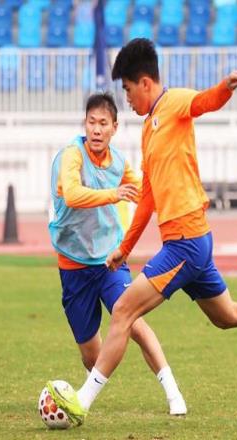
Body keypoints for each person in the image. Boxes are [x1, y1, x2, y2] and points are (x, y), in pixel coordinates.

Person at [49, 38, 237, 426]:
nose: (127, 99)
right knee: (227, 315)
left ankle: (82, 400)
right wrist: (124, 249)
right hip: (193, 240)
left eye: (128, 90)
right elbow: (147, 199)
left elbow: (204, 102)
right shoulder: (148, 130)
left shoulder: (174, 102)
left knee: (123, 310)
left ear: (145, 83)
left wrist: (225, 87)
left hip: (185, 242)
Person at [48, 92, 187, 425]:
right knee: (92, 356)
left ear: (114, 127)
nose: (96, 129)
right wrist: (114, 194)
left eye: (103, 123)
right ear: (85, 125)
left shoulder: (120, 163)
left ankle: (173, 392)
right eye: (91, 122)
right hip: (73, 266)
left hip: (109, 262)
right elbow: (73, 194)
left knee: (133, 320)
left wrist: (177, 199)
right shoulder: (71, 155)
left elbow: (146, 192)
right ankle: (92, 386)